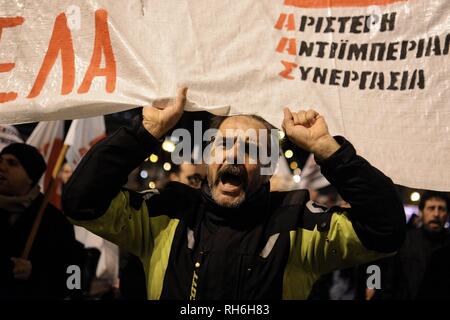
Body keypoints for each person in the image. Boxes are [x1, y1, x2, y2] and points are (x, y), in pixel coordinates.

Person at [63, 87, 406, 299]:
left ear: (269, 166)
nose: (234, 156)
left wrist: (328, 150)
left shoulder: (298, 225)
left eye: (251, 149)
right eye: (223, 145)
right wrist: (144, 133)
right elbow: (81, 202)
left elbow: (385, 231)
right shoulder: (165, 215)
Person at [0, 143, 81, 299]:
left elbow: (75, 277)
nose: (1, 167)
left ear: (31, 176)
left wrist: (35, 272)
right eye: (0, 160)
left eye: (12, 163)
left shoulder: (55, 221)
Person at [374, 191, 450, 300]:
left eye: (441, 209)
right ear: (421, 212)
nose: (436, 214)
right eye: (431, 208)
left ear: (447, 214)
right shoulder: (405, 241)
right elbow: (389, 280)